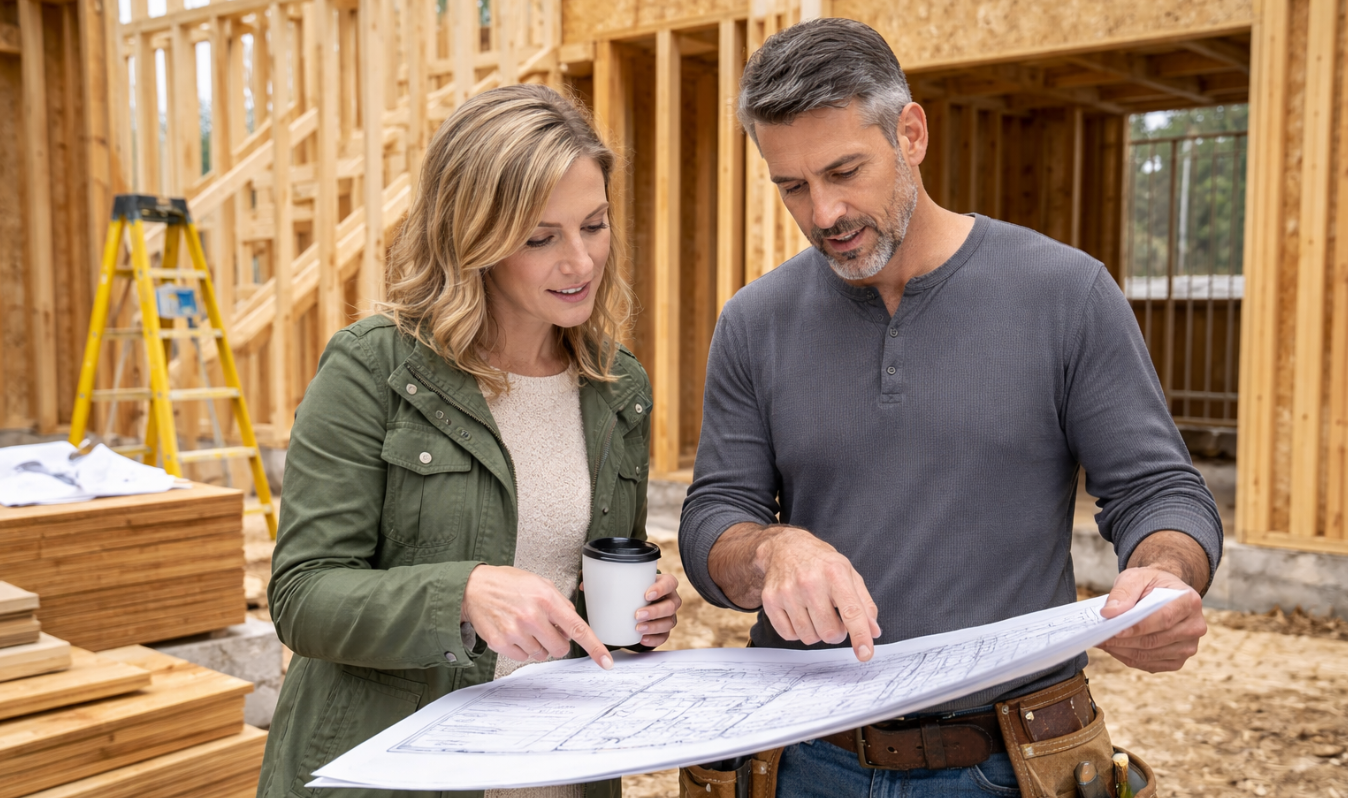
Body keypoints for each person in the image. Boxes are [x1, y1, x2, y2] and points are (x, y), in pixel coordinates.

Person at [678, 18, 1221, 797]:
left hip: (1012, 763)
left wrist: (1164, 574)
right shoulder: (754, 321)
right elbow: (714, 518)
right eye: (791, 186)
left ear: (912, 132)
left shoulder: (1066, 294)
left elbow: (1158, 492)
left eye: (845, 171)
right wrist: (770, 552)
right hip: (803, 760)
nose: (823, 212)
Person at [257, 84, 681, 798]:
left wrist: (640, 615)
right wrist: (461, 593)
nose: (579, 262)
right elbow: (302, 596)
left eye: (595, 225)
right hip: (395, 774)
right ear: (472, 237)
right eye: (541, 238)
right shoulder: (374, 369)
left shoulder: (615, 387)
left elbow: (586, 576)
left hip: (561, 772)